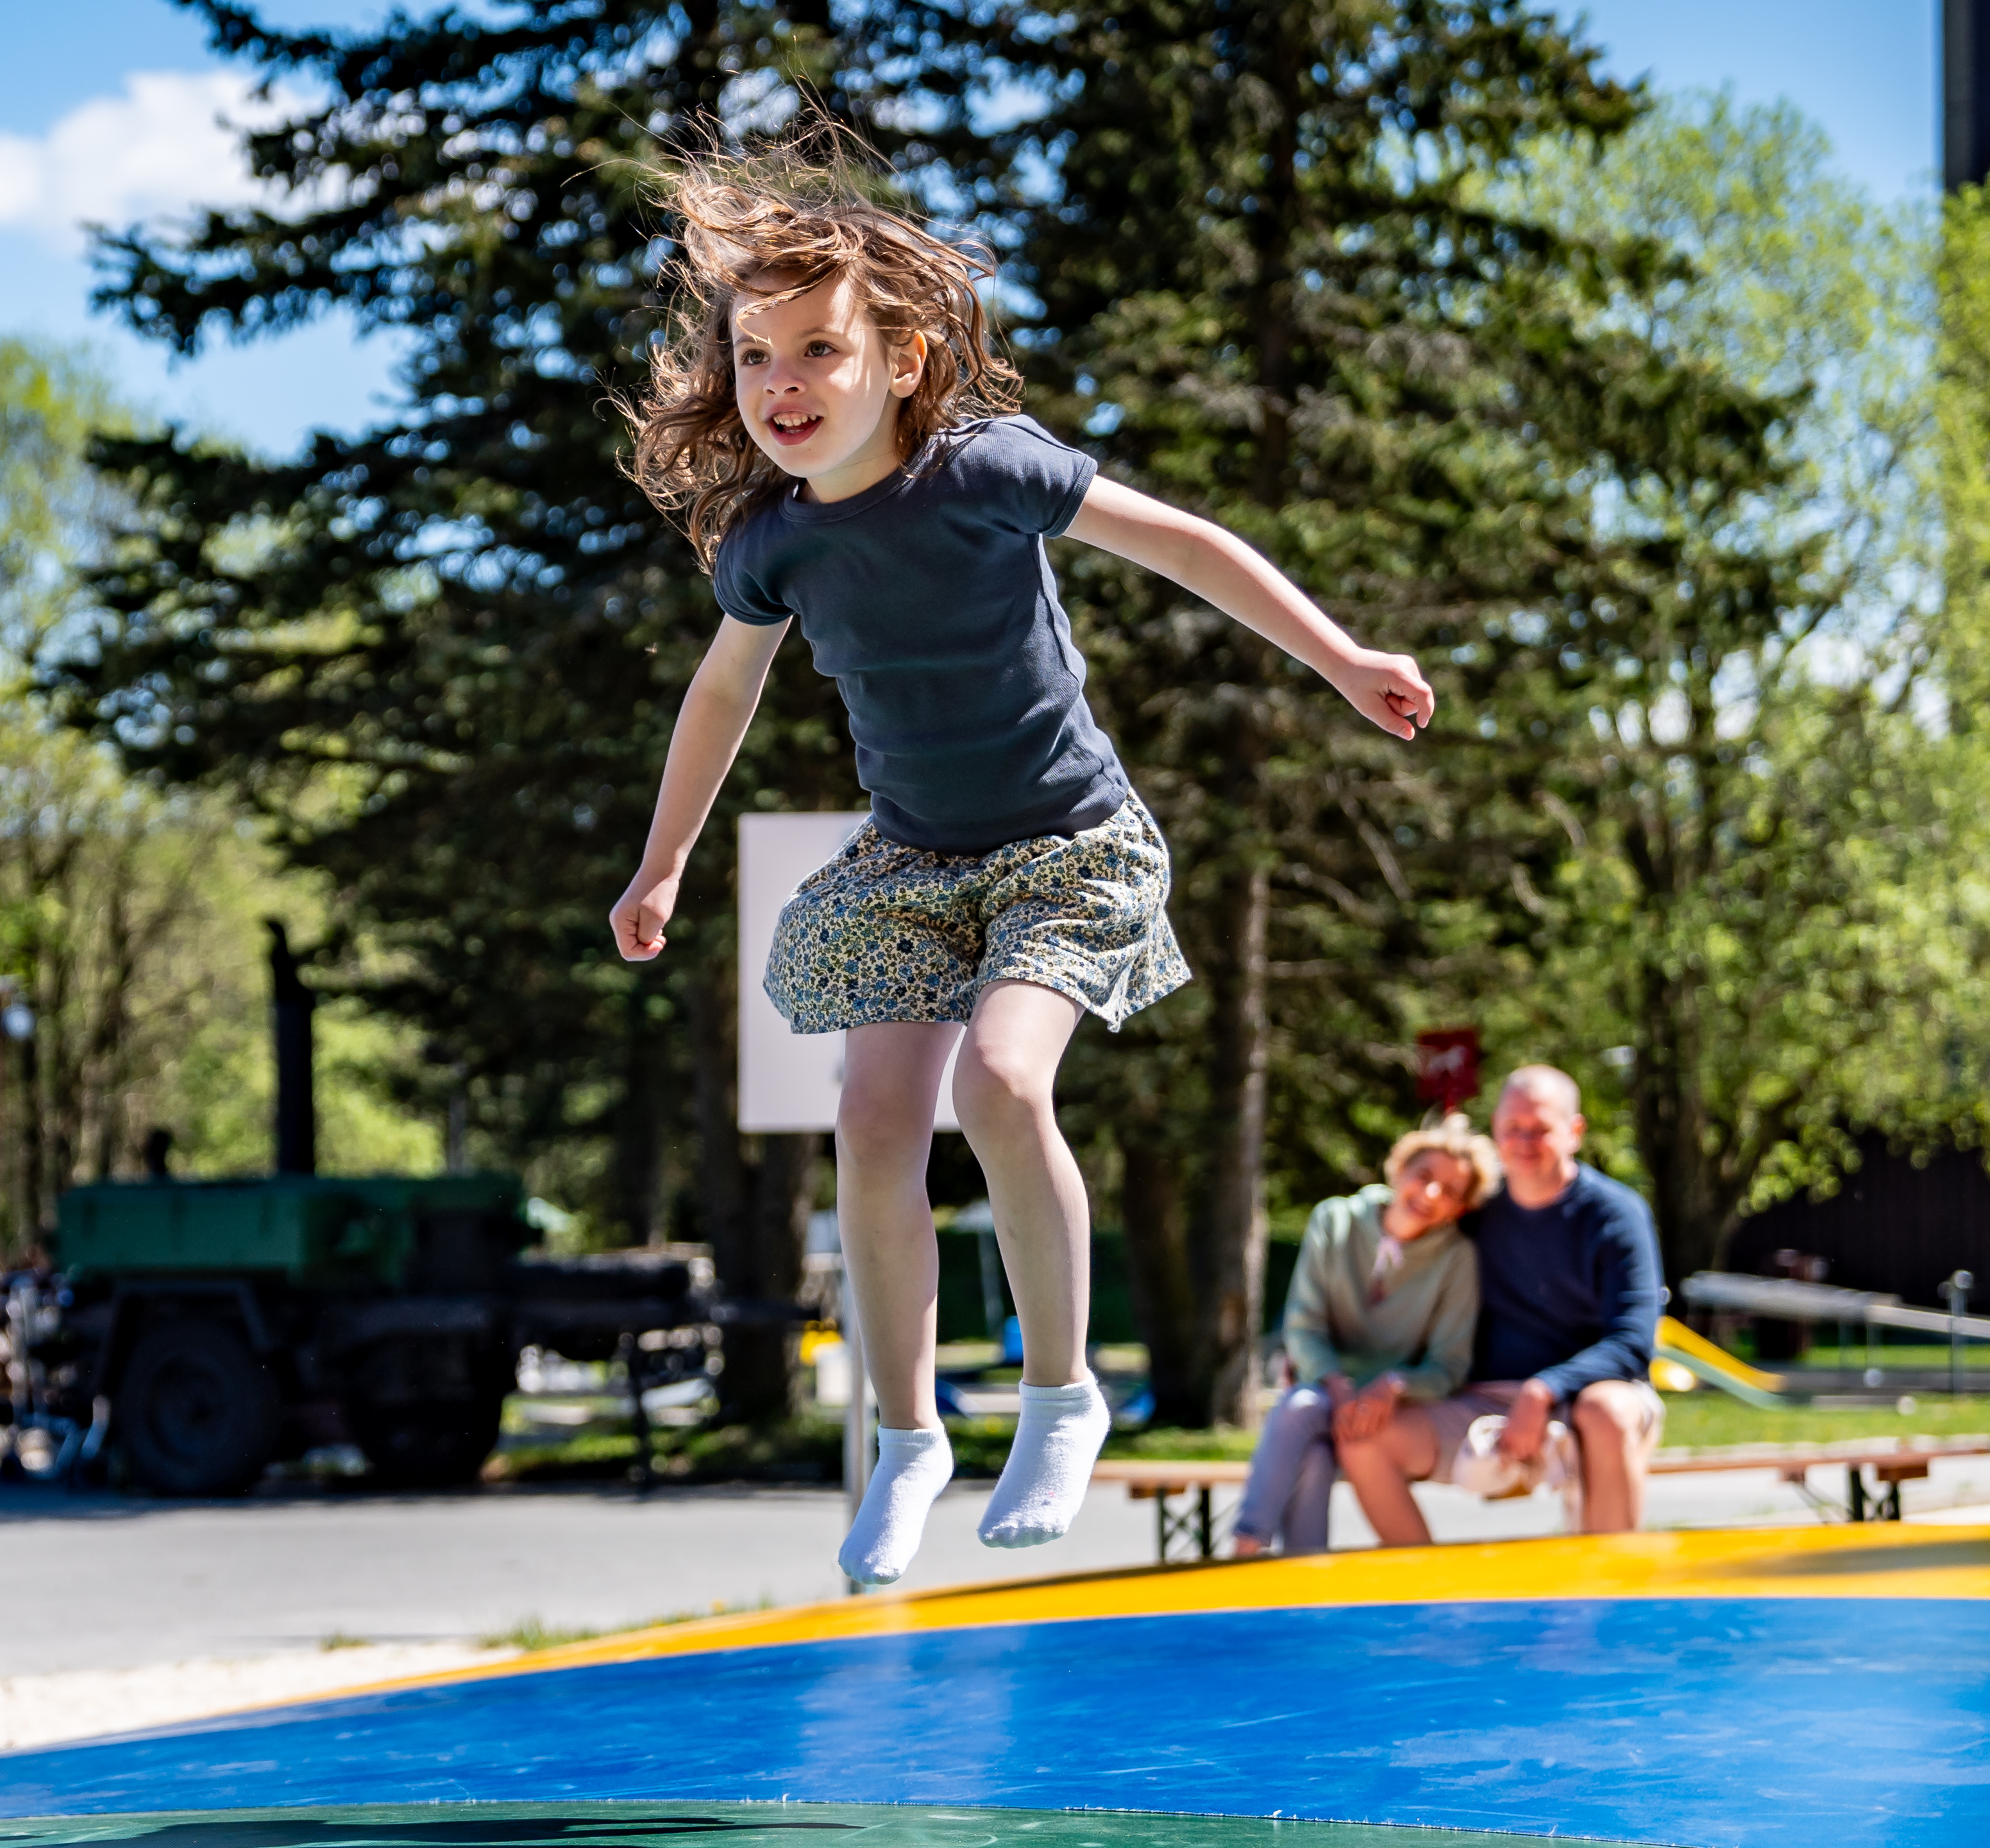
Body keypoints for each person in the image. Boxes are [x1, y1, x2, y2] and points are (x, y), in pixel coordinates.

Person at [606, 142, 1437, 1589]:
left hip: (1066, 848)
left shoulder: (985, 469)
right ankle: (907, 1436)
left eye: (817, 351)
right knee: (873, 1119)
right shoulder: (773, 544)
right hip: (914, 862)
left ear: (903, 360)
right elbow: (721, 693)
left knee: (998, 1080)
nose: (781, 384)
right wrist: (660, 860)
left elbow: (1186, 547)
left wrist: (1339, 657)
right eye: (754, 358)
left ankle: (1061, 1397)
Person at [1331, 1064, 1665, 1542]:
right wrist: (1331, 1354)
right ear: (1496, 1131)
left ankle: (1614, 1580)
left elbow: (1633, 1343)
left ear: (1574, 1132)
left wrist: (1544, 1389)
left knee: (1607, 1413)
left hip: (1586, 1394)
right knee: (1364, 1439)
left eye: (1540, 1129)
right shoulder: (1473, 1212)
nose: (1524, 1141)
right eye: (1513, 1128)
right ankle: (1425, 1584)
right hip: (1481, 1401)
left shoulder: (1615, 1214)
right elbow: (1402, 1278)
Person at [1231, 1122, 1494, 1559]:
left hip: (1389, 1408)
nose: (1430, 1194)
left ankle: (1258, 1561)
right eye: (1424, 1175)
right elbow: (1304, 1326)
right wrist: (1336, 1384)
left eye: (1450, 1191)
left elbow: (1449, 1364)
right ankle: (1255, 1550)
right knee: (1303, 1410)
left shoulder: (1456, 1259)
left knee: (1309, 1437)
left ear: (1460, 1209)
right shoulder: (1336, 1221)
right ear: (1400, 1170)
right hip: (1326, 1388)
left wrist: (1395, 1386)